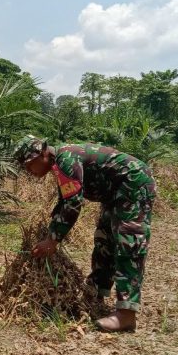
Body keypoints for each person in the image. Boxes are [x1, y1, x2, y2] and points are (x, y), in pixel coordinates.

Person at [14, 135, 157, 332]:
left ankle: (126, 315)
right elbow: (65, 200)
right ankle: (96, 292)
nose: (29, 170)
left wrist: (52, 239)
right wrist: (51, 229)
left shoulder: (66, 159)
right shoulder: (60, 163)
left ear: (44, 153)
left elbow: (74, 203)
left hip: (133, 183)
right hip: (115, 193)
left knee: (128, 243)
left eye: (30, 164)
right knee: (104, 240)